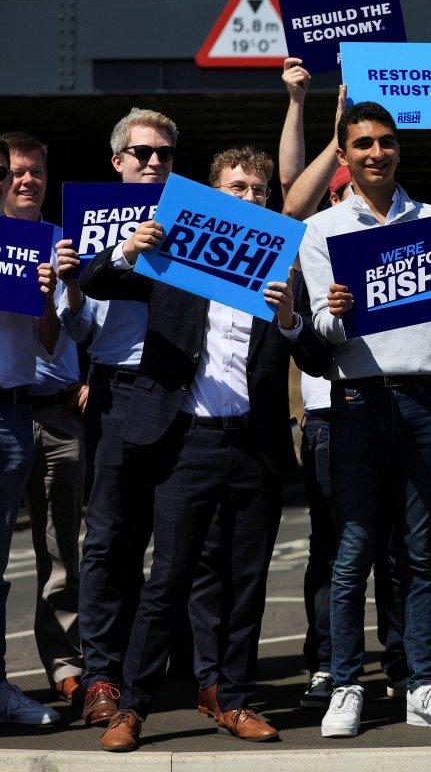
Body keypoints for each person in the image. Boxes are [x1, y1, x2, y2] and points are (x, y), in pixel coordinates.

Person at [83, 147, 330, 751]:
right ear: (215, 195)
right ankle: (133, 706)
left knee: (245, 581)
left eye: (257, 189)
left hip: (255, 446)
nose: (247, 197)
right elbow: (94, 280)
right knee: (167, 580)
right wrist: (130, 249)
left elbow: (318, 359)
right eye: (235, 187)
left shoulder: (282, 269)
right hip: (185, 441)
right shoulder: (174, 258)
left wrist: (293, 317)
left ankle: (232, 697)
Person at [299, 101, 431, 738]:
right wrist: (336, 311)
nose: (375, 153)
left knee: (414, 553)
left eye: (385, 142)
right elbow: (324, 331)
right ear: (345, 155)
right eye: (362, 144)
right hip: (355, 400)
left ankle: (422, 685)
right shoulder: (323, 229)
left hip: (420, 397)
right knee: (351, 554)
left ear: (398, 149)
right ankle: (347, 684)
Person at [79, 108, 221, 728]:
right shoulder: (91, 224)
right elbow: (86, 288)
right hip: (115, 390)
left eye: (164, 153)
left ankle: (199, 676)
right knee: (110, 540)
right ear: (118, 162)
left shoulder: (198, 220)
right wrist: (125, 251)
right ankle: (102, 676)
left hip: (183, 389)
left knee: (187, 542)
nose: (154, 162)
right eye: (142, 153)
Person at [2, 131, 88, 704]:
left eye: (36, 171)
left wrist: (55, 294)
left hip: (54, 415)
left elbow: (58, 340)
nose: (27, 180)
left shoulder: (60, 243)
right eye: (15, 172)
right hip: (7, 413)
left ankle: (65, 668)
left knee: (61, 550)